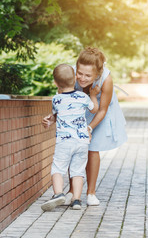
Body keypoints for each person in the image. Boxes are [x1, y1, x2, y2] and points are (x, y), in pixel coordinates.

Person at [43, 47, 128, 206]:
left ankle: (91, 192)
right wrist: (53, 117)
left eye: (88, 76)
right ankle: (72, 193)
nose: (82, 78)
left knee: (92, 147)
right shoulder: (69, 75)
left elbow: (102, 109)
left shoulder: (106, 80)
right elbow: (62, 102)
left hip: (99, 111)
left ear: (97, 74)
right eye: (80, 73)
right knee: (73, 146)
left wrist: (88, 128)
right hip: (77, 109)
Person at [41, 64, 99, 211]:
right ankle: (77, 200)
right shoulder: (83, 97)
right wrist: (92, 95)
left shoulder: (56, 99)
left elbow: (56, 116)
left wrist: (49, 121)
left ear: (55, 83)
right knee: (78, 171)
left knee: (58, 168)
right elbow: (95, 109)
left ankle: (58, 194)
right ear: (75, 79)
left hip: (64, 142)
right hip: (82, 141)